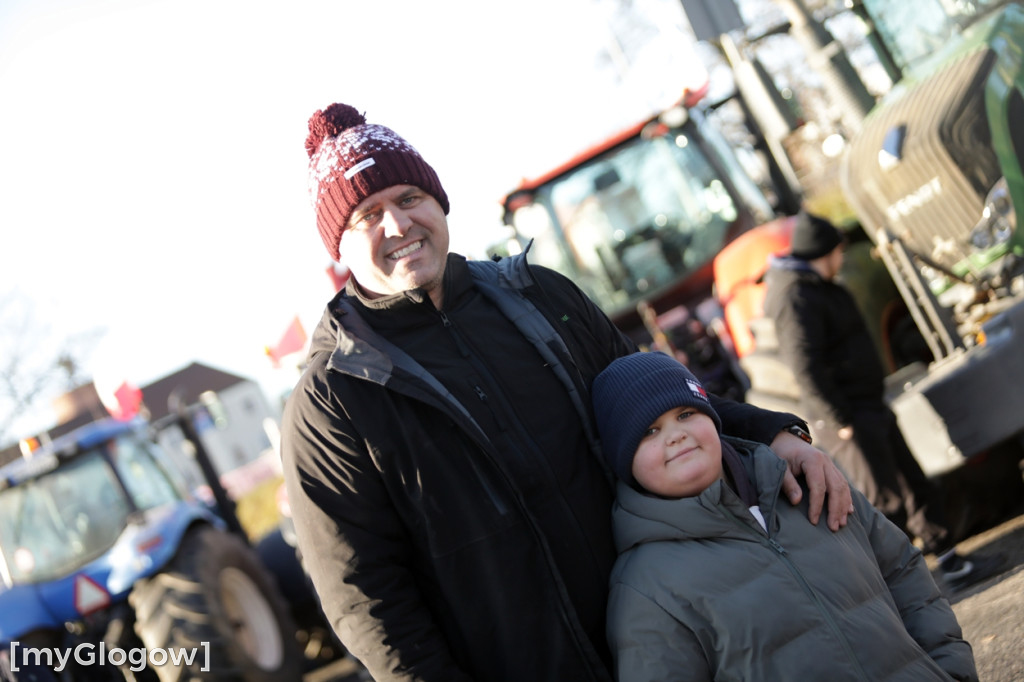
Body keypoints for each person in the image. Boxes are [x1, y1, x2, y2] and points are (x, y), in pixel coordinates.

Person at [280, 102, 853, 682]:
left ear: (438, 202)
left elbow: (664, 403)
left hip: (682, 639)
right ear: (339, 247)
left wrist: (775, 434)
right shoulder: (333, 401)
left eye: (408, 199)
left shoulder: (540, 298)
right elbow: (365, 596)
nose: (398, 227)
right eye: (367, 215)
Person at [592, 351, 979, 682]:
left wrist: (951, 668)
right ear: (623, 460)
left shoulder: (813, 484)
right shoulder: (645, 588)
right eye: (649, 431)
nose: (675, 434)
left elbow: (903, 572)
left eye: (686, 412)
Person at [762, 210, 1003, 591]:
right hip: (848, 416)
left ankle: (950, 560)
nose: (842, 259)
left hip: (869, 403)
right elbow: (805, 364)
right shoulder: (795, 296)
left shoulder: (820, 286)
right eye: (838, 252)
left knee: (913, 483)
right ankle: (906, 588)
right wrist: (839, 418)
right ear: (823, 252)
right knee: (884, 502)